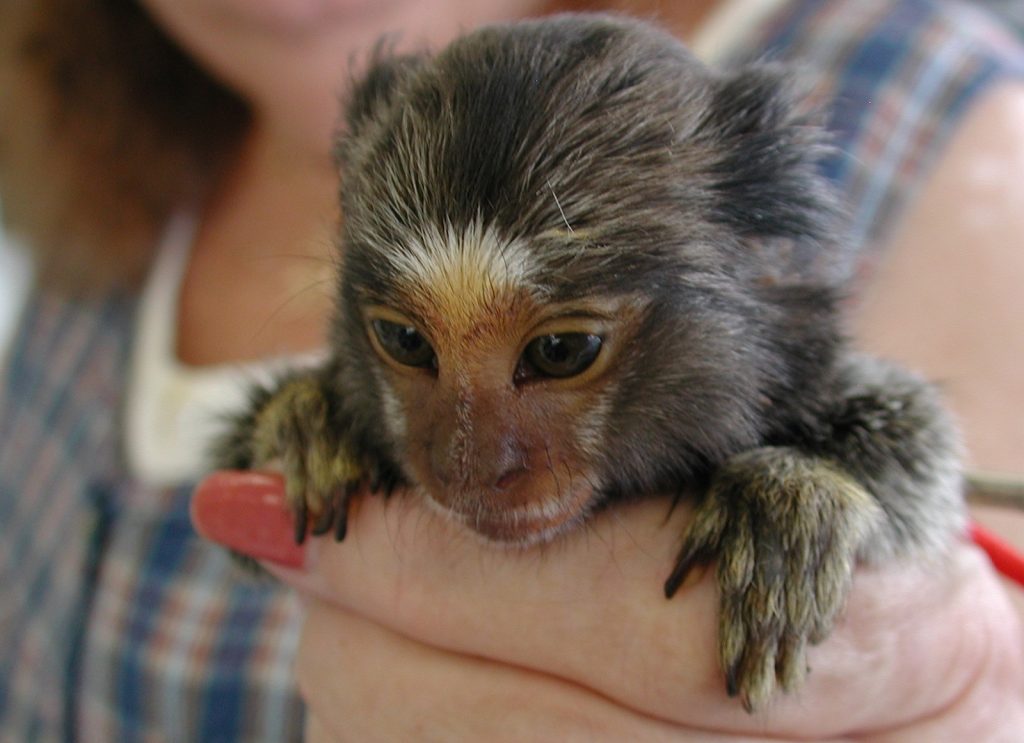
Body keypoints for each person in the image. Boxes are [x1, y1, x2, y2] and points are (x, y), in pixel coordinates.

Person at [1, 0, 1022, 740]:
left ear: (760, 264)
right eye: (409, 344)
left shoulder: (935, 108)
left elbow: (903, 457)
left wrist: (959, 685)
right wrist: (297, 429)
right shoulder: (114, 151)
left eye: (560, 350)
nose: (465, 458)